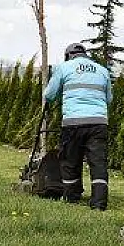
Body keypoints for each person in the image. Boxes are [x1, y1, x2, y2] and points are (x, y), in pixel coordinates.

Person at [44, 43, 113, 211]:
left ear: (68, 55)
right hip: (98, 122)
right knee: (98, 162)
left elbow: (49, 94)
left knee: (70, 160)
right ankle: (99, 203)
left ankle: (71, 197)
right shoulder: (102, 70)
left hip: (73, 121)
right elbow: (109, 99)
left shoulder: (64, 68)